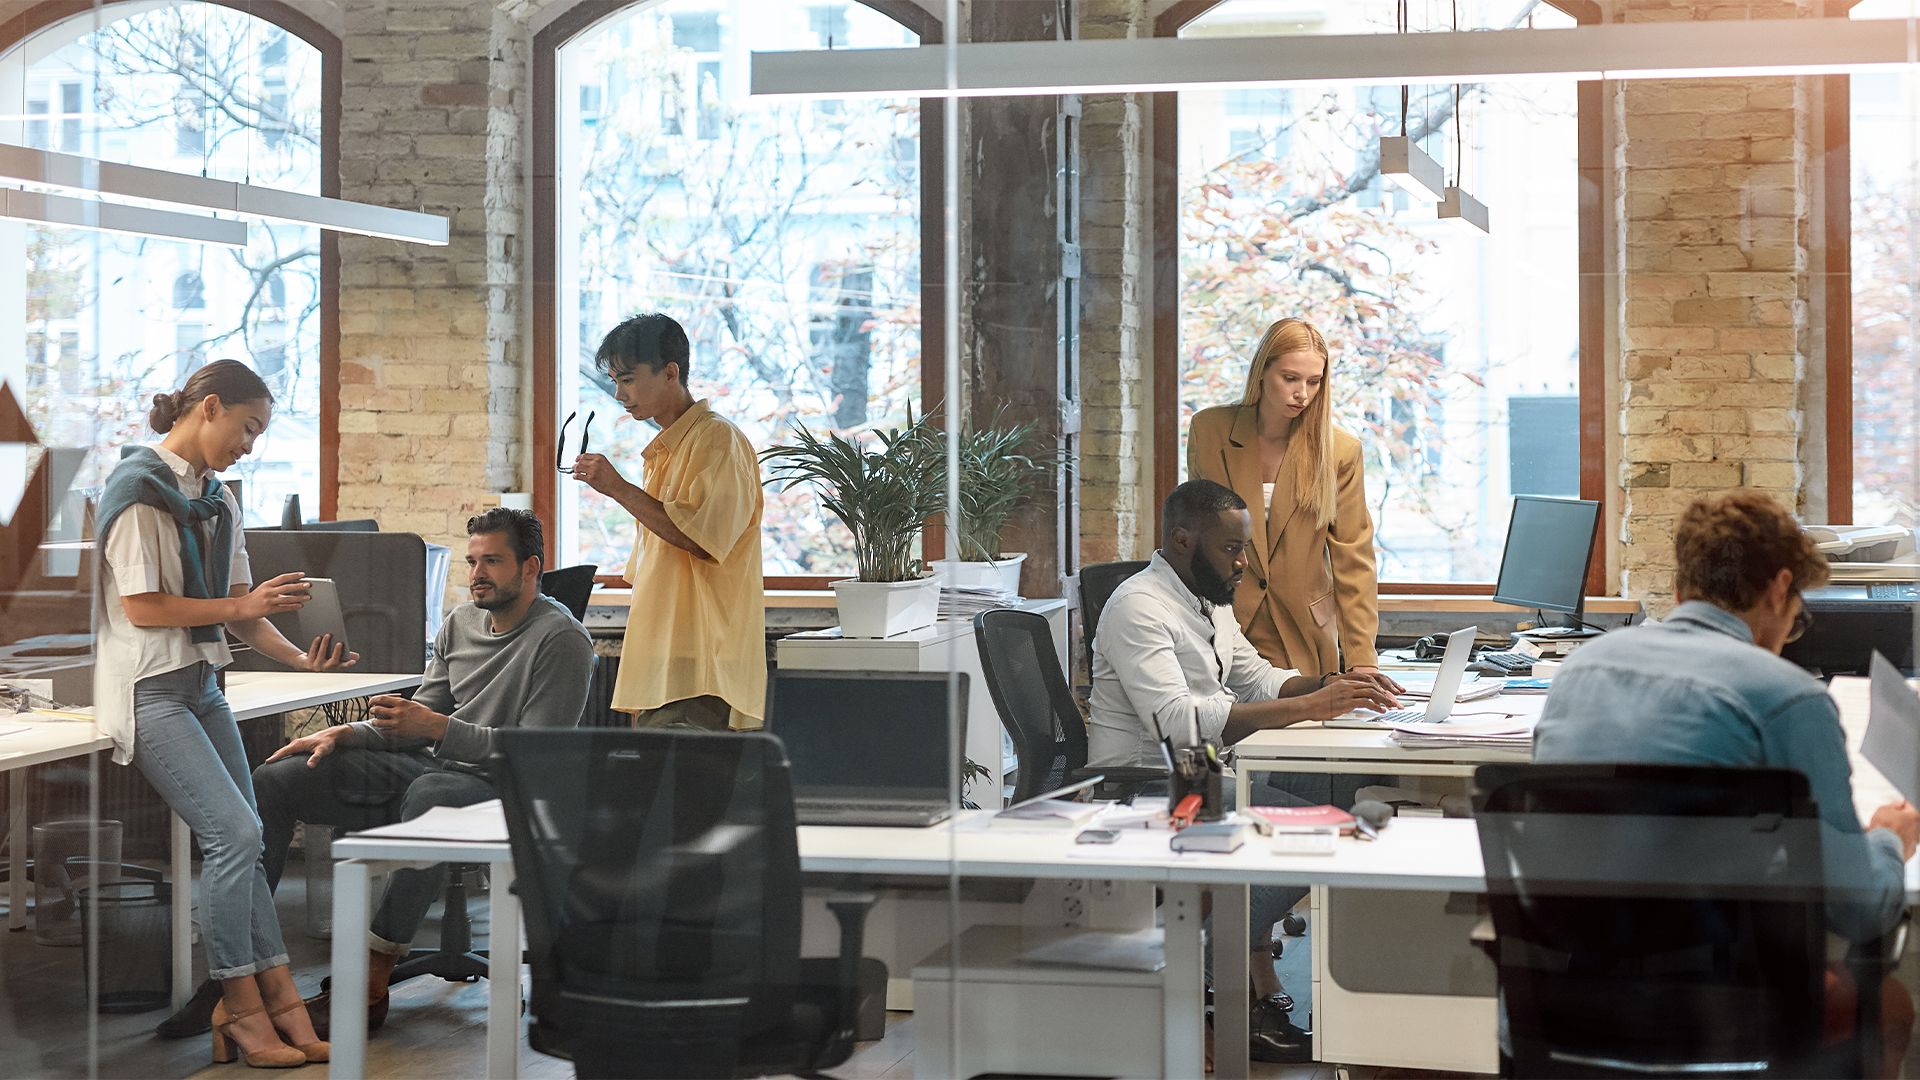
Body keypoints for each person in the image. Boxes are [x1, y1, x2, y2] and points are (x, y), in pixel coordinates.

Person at [1534, 491, 1918, 1077]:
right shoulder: (1787, 696)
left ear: (1683, 589)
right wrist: (1888, 838)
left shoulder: (1577, 672)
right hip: (1725, 1015)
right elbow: (1858, 910)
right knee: (1890, 1004)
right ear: (1777, 588)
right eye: (1797, 612)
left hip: (1568, 1005)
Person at [1087, 478, 1402, 1063]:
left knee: (1344, 787)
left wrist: (1331, 684)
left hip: (1202, 767)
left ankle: (1279, 981)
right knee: (1319, 829)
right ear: (1183, 541)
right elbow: (1178, 724)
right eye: (1231, 548)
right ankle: (1200, 975)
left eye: (1245, 548)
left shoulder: (1206, 599)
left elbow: (1255, 677)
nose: (1244, 562)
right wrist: (1305, 709)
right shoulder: (1139, 607)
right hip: (1147, 783)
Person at [94, 360, 354, 1067]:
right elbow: (144, 609)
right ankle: (240, 1008)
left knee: (249, 835)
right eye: (248, 428)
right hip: (149, 689)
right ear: (209, 407)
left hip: (204, 685)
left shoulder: (216, 498)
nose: (250, 444)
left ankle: (281, 1001)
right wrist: (243, 607)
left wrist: (300, 660)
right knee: (236, 832)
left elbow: (242, 609)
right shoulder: (137, 491)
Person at [252, 508, 593, 1031]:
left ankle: (371, 976)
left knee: (432, 794)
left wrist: (435, 729)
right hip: (431, 765)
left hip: (505, 785)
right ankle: (252, 970)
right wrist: (345, 734)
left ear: (530, 568)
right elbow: (413, 721)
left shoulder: (562, 640)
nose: (477, 573)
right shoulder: (460, 622)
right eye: (473, 561)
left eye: (493, 562)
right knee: (276, 779)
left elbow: (536, 753)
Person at [569, 313, 767, 730]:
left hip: (701, 662)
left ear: (670, 373)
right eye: (614, 381)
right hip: (666, 660)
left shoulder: (717, 440)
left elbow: (701, 539)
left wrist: (618, 489)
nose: (619, 394)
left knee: (678, 790)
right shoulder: (665, 449)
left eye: (628, 379)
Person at [1186, 317, 1380, 679]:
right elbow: (1194, 541)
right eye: (1290, 378)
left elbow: (1354, 561)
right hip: (1223, 628)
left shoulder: (1340, 451)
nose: (1302, 394)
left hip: (1304, 635)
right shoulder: (1209, 431)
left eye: (1314, 381)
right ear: (1262, 371)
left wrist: (1361, 660)